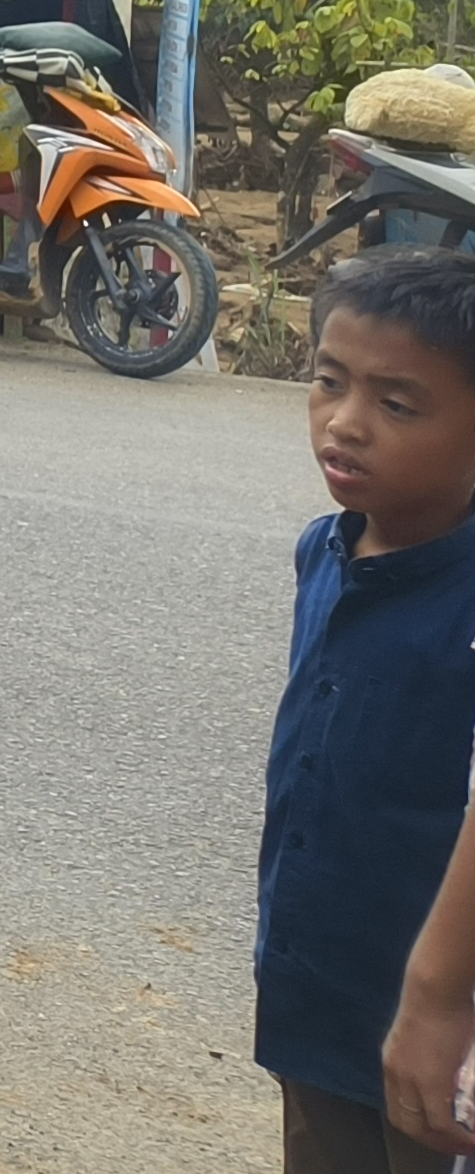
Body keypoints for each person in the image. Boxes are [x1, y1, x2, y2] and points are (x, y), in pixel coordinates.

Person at [260, 248, 475, 1173]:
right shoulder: (325, 549)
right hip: (317, 991)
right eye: (329, 382)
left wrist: (439, 999)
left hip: (443, 1017)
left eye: (397, 404)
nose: (344, 422)